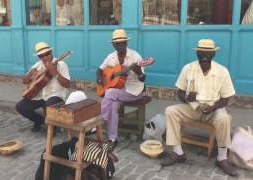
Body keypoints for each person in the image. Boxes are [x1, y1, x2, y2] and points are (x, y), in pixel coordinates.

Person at [161, 39, 238, 177]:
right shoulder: (188, 68)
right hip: (193, 109)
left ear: (213, 55)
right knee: (170, 111)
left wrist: (213, 107)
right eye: (201, 54)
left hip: (214, 109)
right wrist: (185, 98)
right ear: (197, 54)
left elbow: (226, 98)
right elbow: (179, 91)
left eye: (208, 54)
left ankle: (222, 158)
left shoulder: (222, 71)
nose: (204, 57)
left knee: (225, 118)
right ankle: (178, 153)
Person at [96, 29, 146, 148]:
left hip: (134, 90)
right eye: (117, 43)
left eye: (123, 42)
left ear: (126, 43)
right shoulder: (111, 57)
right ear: (113, 45)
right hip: (117, 92)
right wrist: (100, 80)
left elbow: (143, 79)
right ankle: (112, 139)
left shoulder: (135, 57)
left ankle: (98, 122)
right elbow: (99, 70)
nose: (120, 45)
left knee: (109, 92)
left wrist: (139, 72)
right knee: (113, 105)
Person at [15, 42, 70, 132]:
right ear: (38, 57)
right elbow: (24, 81)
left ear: (51, 52)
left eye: (47, 54)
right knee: (20, 106)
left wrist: (55, 73)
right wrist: (30, 75)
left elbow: (67, 84)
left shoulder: (61, 64)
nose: (45, 57)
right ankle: (39, 121)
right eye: (41, 56)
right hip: (40, 95)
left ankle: (53, 127)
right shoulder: (37, 65)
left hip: (57, 94)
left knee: (48, 104)